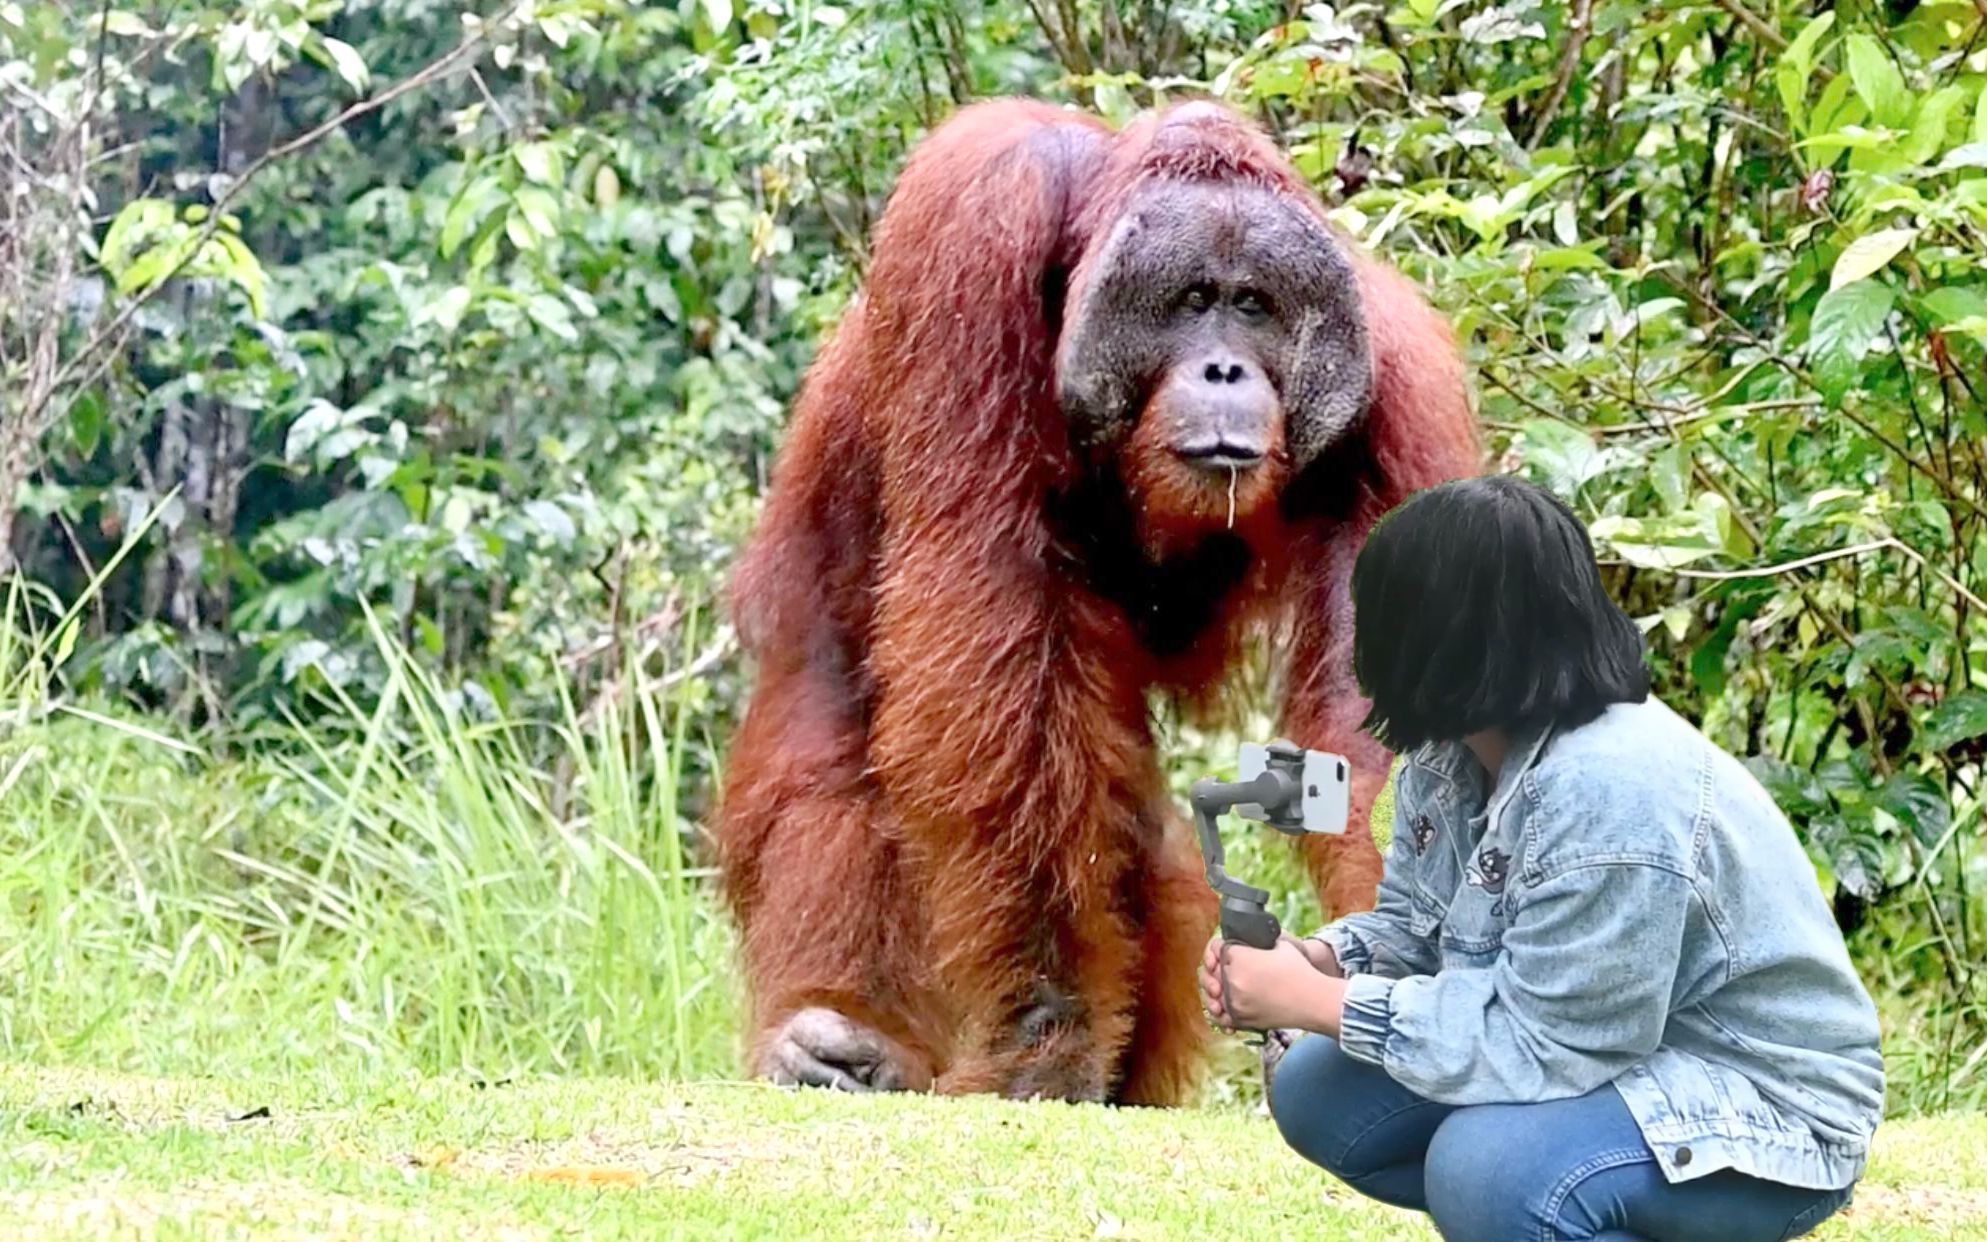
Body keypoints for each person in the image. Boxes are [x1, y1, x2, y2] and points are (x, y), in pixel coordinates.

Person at [1197, 474, 1885, 1242]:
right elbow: (1417, 932)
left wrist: (1316, 1004)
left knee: (1488, 1171)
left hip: (1762, 1104)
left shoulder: (1610, 787)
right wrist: (1318, 960)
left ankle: (1544, 1203)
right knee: (1322, 1092)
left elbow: (1548, 1042)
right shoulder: (1450, 748)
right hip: (1617, 1051)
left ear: (1426, 636)